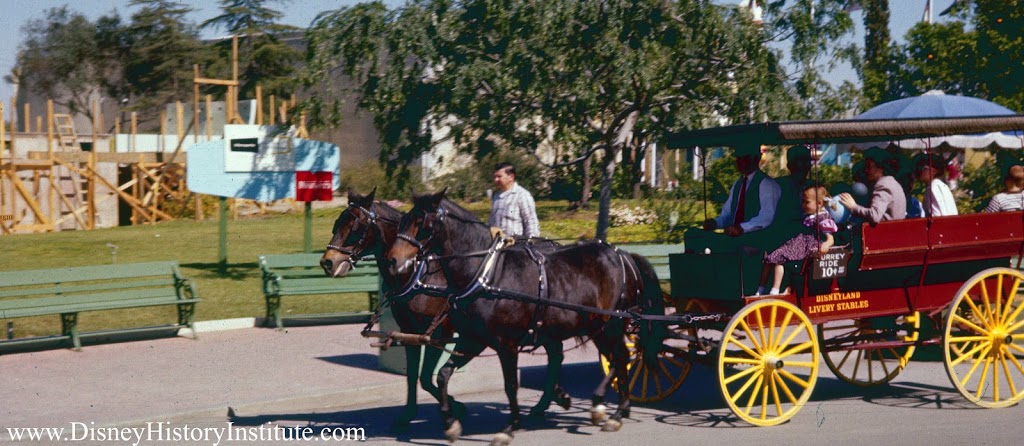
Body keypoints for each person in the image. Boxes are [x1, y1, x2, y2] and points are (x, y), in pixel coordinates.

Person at [756, 185, 837, 296]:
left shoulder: (823, 218)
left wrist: (826, 244)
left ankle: (774, 290)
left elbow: (830, 238)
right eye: (802, 202)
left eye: (806, 202)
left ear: (819, 203)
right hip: (798, 244)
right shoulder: (809, 216)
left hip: (808, 246)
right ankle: (761, 289)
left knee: (779, 259)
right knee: (769, 258)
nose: (803, 205)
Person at [701, 142, 781, 238]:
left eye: (744, 158)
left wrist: (742, 228)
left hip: (757, 240)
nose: (739, 162)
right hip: (736, 239)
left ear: (756, 159)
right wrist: (715, 223)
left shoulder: (767, 184)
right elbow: (728, 214)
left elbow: (766, 217)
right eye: (738, 158)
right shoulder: (738, 184)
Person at [837, 147, 907, 224]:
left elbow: (875, 215)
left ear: (881, 168)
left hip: (885, 234)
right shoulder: (892, 182)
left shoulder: (883, 185)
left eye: (869, 166)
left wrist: (853, 207)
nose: (866, 170)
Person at [488, 162, 540, 238]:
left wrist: (531, 241)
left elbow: (531, 221)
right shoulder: (496, 196)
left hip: (515, 246)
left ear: (511, 177)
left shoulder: (522, 195)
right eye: (495, 177)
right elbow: (491, 222)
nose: (496, 179)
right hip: (496, 245)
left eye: (499, 176)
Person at [914, 152, 958, 217]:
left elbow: (937, 216)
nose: (917, 171)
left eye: (921, 168)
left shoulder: (933, 187)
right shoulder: (939, 185)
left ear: (932, 171)